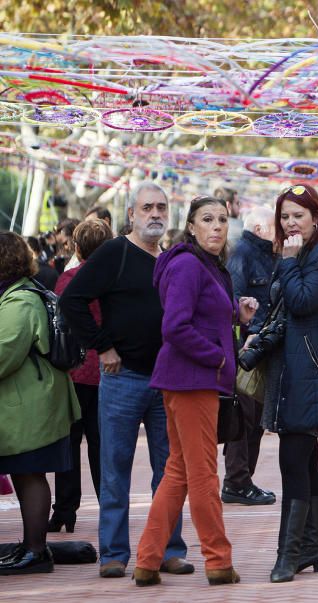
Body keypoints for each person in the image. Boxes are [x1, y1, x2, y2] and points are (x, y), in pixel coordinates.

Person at [59, 181, 191, 578]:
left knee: (169, 472)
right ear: (131, 215)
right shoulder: (115, 252)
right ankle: (113, 554)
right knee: (115, 469)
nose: (155, 214)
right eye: (147, 207)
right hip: (123, 379)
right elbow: (72, 300)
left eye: (161, 208)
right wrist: (103, 346)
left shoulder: (172, 258)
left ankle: (168, 550)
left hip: (167, 381)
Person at [133, 197, 256, 587]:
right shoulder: (187, 264)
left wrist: (237, 314)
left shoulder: (204, 265)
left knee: (178, 473)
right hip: (192, 381)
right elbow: (175, 326)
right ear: (191, 226)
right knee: (203, 475)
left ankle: (147, 561)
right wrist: (218, 359)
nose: (217, 226)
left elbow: (200, 316)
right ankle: (218, 561)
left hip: (190, 379)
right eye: (207, 219)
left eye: (222, 219)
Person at [255, 184, 318, 583]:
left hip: (313, 370)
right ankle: (312, 545)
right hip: (293, 368)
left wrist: (290, 261)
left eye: (298, 215)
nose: (290, 223)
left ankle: (289, 553)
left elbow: (301, 301)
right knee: (304, 456)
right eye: (284, 216)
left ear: (317, 218)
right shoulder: (299, 256)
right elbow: (282, 307)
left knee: (293, 458)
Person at [0, 231, 80, 575]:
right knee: (26, 473)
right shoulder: (21, 293)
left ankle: (36, 550)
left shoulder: (20, 301)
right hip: (30, 402)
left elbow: (5, 352)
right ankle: (32, 546)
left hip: (32, 405)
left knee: (31, 474)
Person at [48, 219, 113, 534]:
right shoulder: (115, 280)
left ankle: (65, 509)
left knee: (69, 444)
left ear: (77, 247)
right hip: (106, 370)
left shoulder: (67, 280)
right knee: (103, 445)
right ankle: (108, 506)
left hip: (74, 371)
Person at [221, 204, 277, 506]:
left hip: (262, 348)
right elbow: (236, 300)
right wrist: (248, 334)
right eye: (275, 226)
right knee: (243, 417)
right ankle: (237, 481)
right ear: (259, 229)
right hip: (246, 349)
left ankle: (242, 480)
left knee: (255, 418)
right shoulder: (241, 254)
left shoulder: (269, 255)